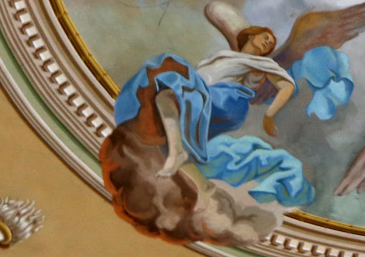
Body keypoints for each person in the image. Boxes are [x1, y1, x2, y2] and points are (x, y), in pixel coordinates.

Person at [110, 25, 315, 211]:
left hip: (227, 100)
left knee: (166, 70)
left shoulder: (261, 63)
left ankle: (179, 150)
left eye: (270, 43)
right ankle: (203, 185)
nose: (268, 43)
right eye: (265, 37)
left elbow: (287, 86)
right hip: (203, 99)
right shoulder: (222, 56)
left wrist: (270, 115)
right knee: (167, 133)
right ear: (250, 35)